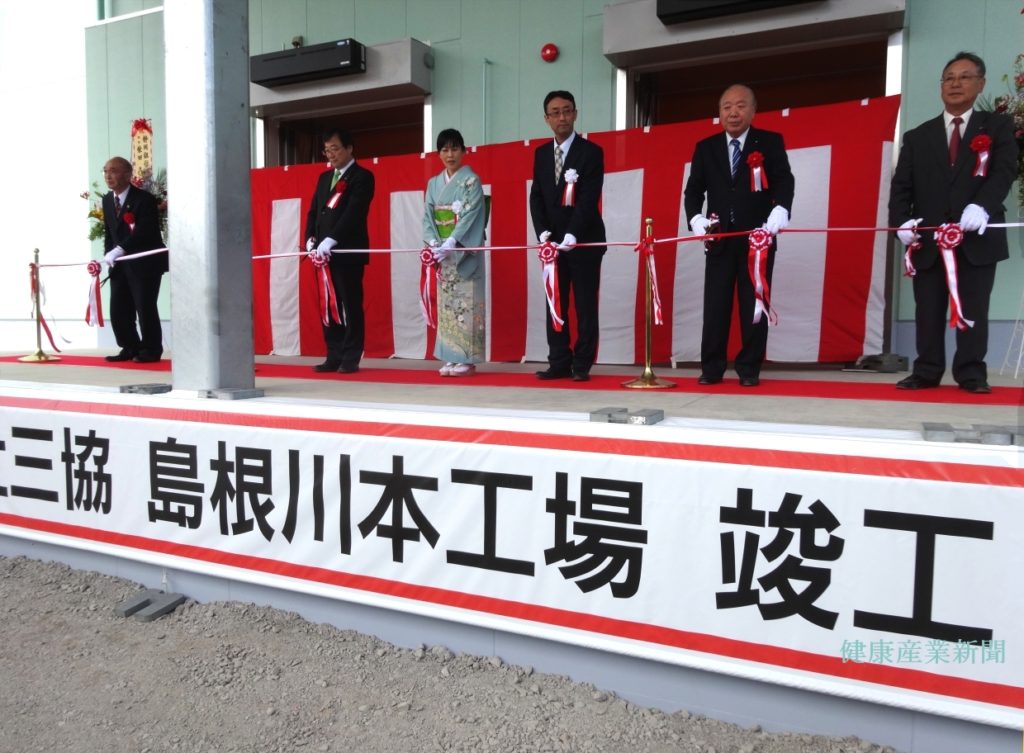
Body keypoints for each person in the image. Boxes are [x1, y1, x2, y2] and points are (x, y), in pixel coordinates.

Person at [889, 51, 1018, 394]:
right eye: (949, 78)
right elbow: (901, 187)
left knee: (974, 307)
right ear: (941, 86)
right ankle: (926, 370)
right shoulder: (918, 136)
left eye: (964, 77)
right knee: (928, 309)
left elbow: (1005, 171)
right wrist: (901, 224)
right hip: (929, 239)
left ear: (981, 83)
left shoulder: (997, 127)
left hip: (977, 236)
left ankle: (971, 373)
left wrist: (982, 207)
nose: (955, 84)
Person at [683, 84, 795, 388]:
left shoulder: (770, 142)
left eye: (741, 106)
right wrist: (695, 218)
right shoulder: (706, 147)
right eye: (727, 107)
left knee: (753, 304)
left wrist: (781, 208)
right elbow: (693, 191)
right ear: (719, 113)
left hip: (757, 240)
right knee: (715, 306)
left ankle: (749, 368)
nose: (734, 112)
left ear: (753, 110)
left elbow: (784, 181)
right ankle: (712, 367)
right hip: (719, 239)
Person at [529, 90, 607, 382]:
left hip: (584, 241)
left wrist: (573, 233)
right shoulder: (540, 154)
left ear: (575, 114)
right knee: (555, 302)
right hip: (552, 245)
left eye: (567, 110)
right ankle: (559, 361)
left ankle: (582, 363)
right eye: (555, 112)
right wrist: (543, 233)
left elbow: (588, 198)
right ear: (546, 118)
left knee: (585, 305)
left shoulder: (591, 152)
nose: (562, 117)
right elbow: (536, 196)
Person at [305, 128, 375, 375]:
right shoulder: (324, 178)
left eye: (335, 148)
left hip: (347, 252)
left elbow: (354, 212)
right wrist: (310, 239)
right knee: (328, 304)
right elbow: (314, 211)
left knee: (349, 304)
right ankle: (333, 355)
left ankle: (351, 357)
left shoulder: (362, 177)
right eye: (327, 150)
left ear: (349, 148)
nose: (331, 154)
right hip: (322, 255)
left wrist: (332, 239)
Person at [422, 129, 488, 376]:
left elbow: (472, 214)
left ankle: (467, 359)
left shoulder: (471, 181)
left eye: (454, 149)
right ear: (439, 153)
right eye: (445, 150)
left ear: (464, 151)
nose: (450, 155)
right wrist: (433, 243)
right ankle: (450, 357)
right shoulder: (433, 183)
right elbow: (428, 217)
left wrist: (452, 241)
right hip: (443, 252)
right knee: (448, 304)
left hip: (463, 249)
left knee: (467, 302)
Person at [101, 156, 168, 363]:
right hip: (120, 265)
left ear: (128, 174)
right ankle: (129, 346)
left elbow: (144, 231)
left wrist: (119, 250)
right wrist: (108, 255)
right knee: (118, 308)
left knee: (145, 307)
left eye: (114, 171)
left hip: (144, 264)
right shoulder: (107, 200)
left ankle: (151, 349)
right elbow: (110, 232)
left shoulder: (144, 199)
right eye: (105, 171)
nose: (108, 175)